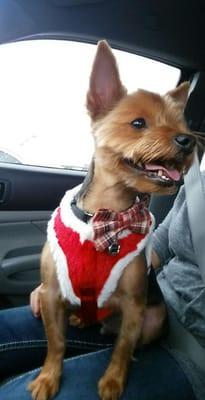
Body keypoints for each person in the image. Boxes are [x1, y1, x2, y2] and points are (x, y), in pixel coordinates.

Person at [0, 178, 205, 400]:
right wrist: (66, 276)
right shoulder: (198, 183)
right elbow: (161, 242)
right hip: (141, 303)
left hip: (194, 344)